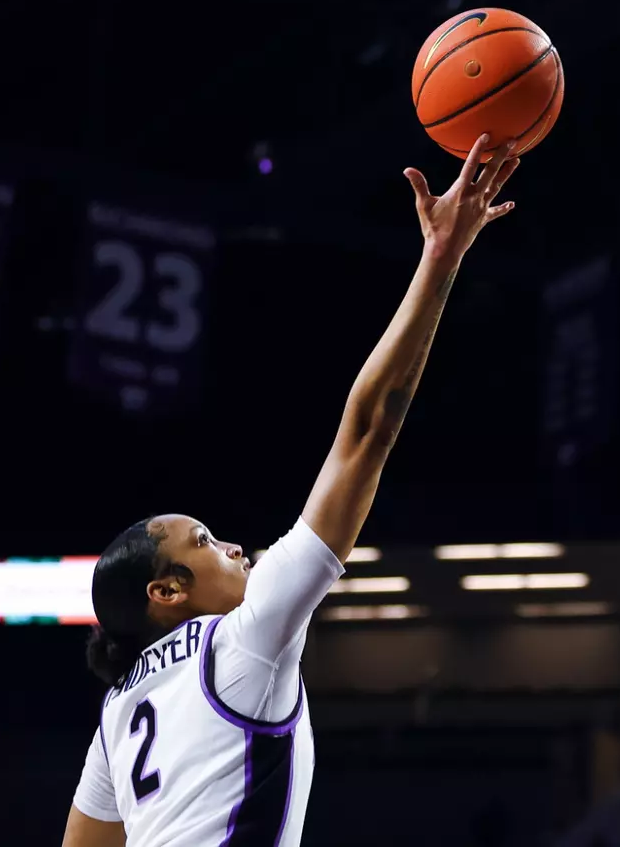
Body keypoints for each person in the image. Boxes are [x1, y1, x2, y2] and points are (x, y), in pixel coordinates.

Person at [61, 135, 521, 847]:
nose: (236, 546)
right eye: (206, 541)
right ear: (167, 591)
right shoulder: (244, 639)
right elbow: (368, 428)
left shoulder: (119, 713)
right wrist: (441, 259)